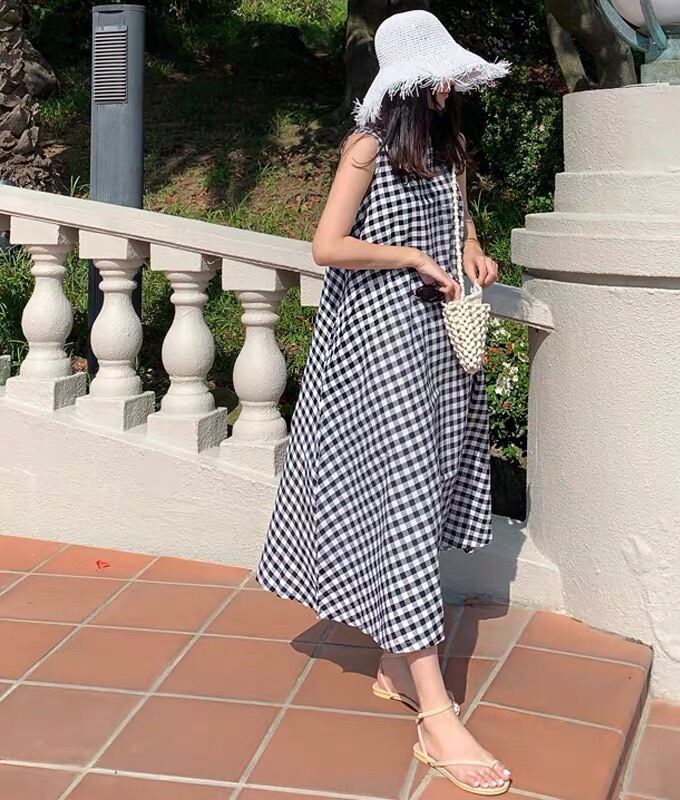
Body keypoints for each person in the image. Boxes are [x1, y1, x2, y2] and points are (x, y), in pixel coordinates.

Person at [256, 9, 512, 795]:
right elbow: (327, 245)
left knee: (419, 496)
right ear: (404, 82)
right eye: (435, 76)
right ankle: (435, 712)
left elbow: (457, 221)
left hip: (434, 350)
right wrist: (409, 257)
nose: (447, 88)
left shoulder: (447, 150)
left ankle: (399, 668)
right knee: (401, 500)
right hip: (375, 350)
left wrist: (471, 250)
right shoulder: (366, 148)